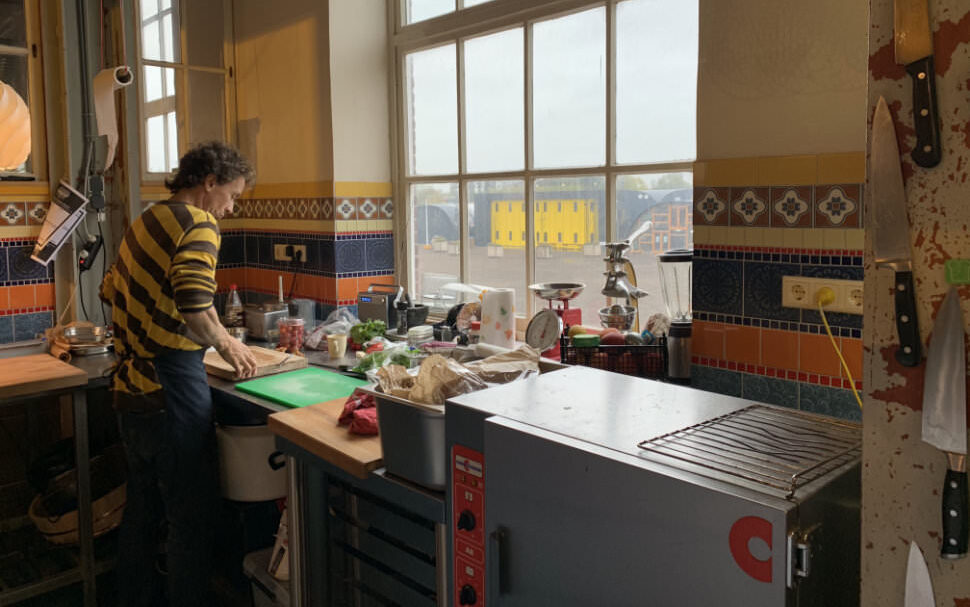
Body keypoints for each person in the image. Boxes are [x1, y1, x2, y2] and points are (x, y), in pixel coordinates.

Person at [100, 141, 259, 606]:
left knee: (143, 510)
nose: (230, 208)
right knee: (191, 520)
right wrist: (228, 344)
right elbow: (193, 300)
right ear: (209, 183)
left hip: (131, 389)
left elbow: (109, 289)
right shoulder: (198, 222)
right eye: (231, 195)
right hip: (170, 387)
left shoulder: (147, 219)